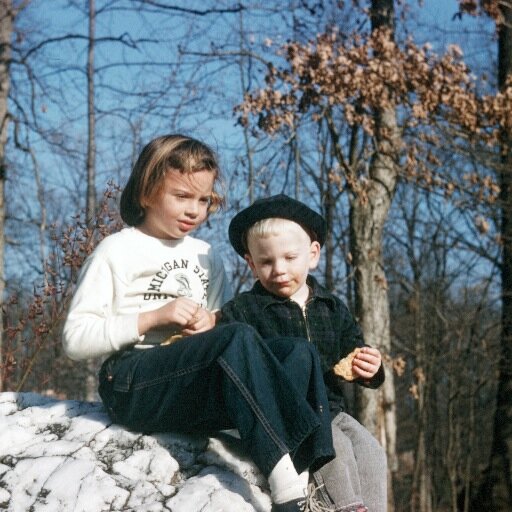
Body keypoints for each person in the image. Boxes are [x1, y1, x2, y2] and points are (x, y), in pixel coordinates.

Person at [62, 134, 335, 512]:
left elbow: (225, 340)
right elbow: (75, 340)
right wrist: (154, 317)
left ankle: (306, 470)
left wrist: (209, 323)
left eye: (203, 200)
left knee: (298, 352)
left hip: (192, 385)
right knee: (238, 337)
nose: (194, 209)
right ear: (146, 192)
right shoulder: (117, 250)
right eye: (181, 196)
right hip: (132, 380)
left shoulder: (208, 256)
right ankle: (286, 488)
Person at [220, 194, 388, 512]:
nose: (279, 270)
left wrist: (371, 367)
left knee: (369, 449)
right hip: (288, 413)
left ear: (312, 255)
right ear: (251, 264)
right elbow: (229, 356)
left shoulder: (331, 307)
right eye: (267, 262)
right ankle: (345, 506)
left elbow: (356, 351)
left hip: (335, 408)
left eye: (289, 258)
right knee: (334, 446)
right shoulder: (244, 309)